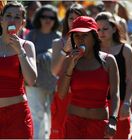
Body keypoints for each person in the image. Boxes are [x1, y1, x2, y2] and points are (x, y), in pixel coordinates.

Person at [57, 16, 120, 139]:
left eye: (84, 35)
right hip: (74, 125)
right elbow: (61, 94)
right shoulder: (68, 61)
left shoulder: (109, 60)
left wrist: (113, 120)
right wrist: (70, 67)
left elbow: (115, 94)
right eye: (76, 36)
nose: (80, 40)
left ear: (94, 37)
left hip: (99, 125)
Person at [0, 1, 37, 139]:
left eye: (17, 17)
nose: (12, 20)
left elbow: (31, 80)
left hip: (18, 115)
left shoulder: (27, 46)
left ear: (22, 23)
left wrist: (20, 52)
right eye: (8, 15)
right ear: (1, 20)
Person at [50, 3, 87, 139]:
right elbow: (54, 71)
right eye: (71, 18)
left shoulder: (92, 42)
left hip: (84, 95)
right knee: (60, 133)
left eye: (78, 18)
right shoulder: (58, 42)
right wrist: (64, 50)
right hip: (63, 95)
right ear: (66, 20)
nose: (74, 22)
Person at [95, 11, 132, 139]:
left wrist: (127, 103)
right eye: (98, 29)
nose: (101, 32)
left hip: (121, 103)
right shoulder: (93, 50)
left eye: (105, 29)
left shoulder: (126, 49)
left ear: (114, 28)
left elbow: (130, 79)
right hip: (97, 104)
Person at [26, 4, 61, 139]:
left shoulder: (58, 37)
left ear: (55, 20)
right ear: (38, 18)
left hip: (55, 84)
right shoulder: (32, 35)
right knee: (37, 115)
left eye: (51, 17)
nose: (48, 20)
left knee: (53, 114)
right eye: (44, 16)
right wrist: (45, 55)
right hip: (35, 82)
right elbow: (27, 57)